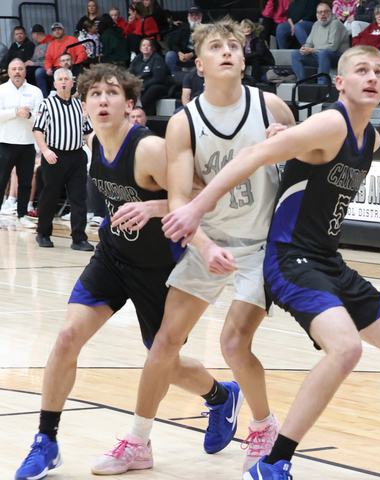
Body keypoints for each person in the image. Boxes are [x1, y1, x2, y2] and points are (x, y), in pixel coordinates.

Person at [161, 45, 380, 480]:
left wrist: (292, 135)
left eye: (379, 71)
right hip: (289, 258)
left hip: (326, 259)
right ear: (340, 83)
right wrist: (195, 207)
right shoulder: (330, 123)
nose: (372, 77)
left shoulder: (370, 138)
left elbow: (305, 155)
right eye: (361, 70)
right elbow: (250, 157)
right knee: (346, 348)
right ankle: (273, 463)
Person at [14, 63, 231, 480]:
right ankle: (46, 440)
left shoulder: (148, 149)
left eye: (112, 93)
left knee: (164, 361)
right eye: (94, 94)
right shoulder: (93, 141)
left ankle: (221, 397)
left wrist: (154, 206)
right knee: (66, 337)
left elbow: (206, 195)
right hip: (113, 257)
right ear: (83, 105)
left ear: (130, 104)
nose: (102, 100)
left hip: (159, 268)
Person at [123, 18, 296, 475]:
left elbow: (304, 174)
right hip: (210, 243)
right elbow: (181, 200)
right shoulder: (184, 122)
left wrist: (292, 148)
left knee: (234, 345)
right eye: (215, 47)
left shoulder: (271, 107)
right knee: (164, 343)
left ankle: (264, 426)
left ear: (243, 58)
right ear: (198, 65)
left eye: (233, 46)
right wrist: (204, 245)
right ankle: (138, 441)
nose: (226, 52)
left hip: (261, 246)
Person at [32, 68, 94, 251]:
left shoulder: (80, 105)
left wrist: (98, 154)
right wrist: (45, 151)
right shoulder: (47, 104)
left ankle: (79, 238)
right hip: (54, 156)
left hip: (77, 157)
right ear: (55, 84)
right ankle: (43, 233)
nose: (64, 82)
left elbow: (88, 132)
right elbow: (38, 130)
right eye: (60, 79)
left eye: (67, 79)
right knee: (49, 197)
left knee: (79, 199)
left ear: (73, 82)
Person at [0, 59, 43, 228]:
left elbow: (41, 118)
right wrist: (15, 112)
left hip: (27, 144)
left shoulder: (35, 92)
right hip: (4, 142)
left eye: (20, 68)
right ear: (8, 72)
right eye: (14, 69)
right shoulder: (1, 90)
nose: (17, 72)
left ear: (25, 71)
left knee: (25, 182)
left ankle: (23, 214)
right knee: (1, 180)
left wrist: (29, 115)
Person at [292, 3, 349, 85]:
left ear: (330, 13)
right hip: (320, 55)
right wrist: (304, 48)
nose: (322, 14)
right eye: (320, 12)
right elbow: (309, 43)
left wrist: (312, 50)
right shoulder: (316, 25)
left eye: (325, 11)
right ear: (317, 14)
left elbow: (332, 47)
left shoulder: (336, 24)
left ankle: (322, 84)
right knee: (295, 54)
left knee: (323, 53)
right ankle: (301, 83)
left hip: (338, 57)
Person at [37, 23, 88, 98]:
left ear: (63, 30)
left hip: (72, 67)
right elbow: (48, 59)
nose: (57, 32)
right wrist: (48, 68)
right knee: (39, 72)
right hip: (57, 69)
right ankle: (44, 98)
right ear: (52, 33)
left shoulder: (72, 40)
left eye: (59, 29)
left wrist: (75, 64)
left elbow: (82, 53)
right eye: (54, 30)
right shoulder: (51, 45)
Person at [129, 38, 168, 116]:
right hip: (140, 84)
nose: (146, 47)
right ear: (140, 48)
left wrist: (142, 85)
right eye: (143, 45)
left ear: (152, 48)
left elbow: (158, 78)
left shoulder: (157, 59)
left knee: (153, 89)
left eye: (148, 45)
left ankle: (139, 109)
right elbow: (130, 73)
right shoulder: (137, 58)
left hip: (156, 85)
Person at [165, 5, 203, 73]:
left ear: (201, 15)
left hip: (198, 56)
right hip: (183, 56)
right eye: (191, 15)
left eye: (196, 15)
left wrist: (191, 54)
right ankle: (176, 76)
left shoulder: (205, 29)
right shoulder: (183, 27)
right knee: (170, 55)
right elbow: (173, 43)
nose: (194, 17)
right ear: (188, 16)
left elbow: (205, 47)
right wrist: (179, 53)